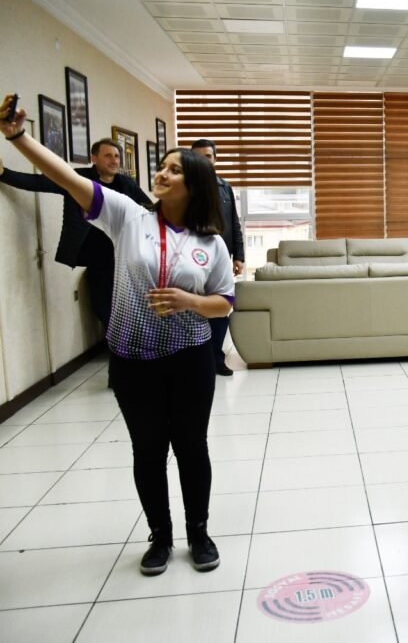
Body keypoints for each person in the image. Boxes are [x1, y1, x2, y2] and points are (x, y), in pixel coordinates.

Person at [1, 94, 234, 576]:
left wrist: (190, 302)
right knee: (148, 450)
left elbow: (225, 303)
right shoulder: (127, 215)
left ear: (193, 185)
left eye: (173, 170)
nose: (161, 173)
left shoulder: (211, 242)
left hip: (190, 358)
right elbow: (66, 177)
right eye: (161, 166)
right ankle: (160, 536)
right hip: (133, 359)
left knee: (192, 448)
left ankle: (199, 532)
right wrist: (17, 136)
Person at [0, 137, 150, 331]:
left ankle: (130, 341)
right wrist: (4, 174)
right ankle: (118, 342)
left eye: (116, 156)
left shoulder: (127, 184)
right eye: (108, 156)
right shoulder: (79, 180)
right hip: (96, 256)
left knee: (130, 306)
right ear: (94, 158)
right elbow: (40, 183)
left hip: (123, 255)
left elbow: (149, 208)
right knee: (103, 306)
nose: (114, 161)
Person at [191, 139, 244, 377]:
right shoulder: (183, 187)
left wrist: (239, 256)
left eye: (208, 156)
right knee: (195, 309)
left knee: (221, 307)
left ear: (215, 159)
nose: (203, 161)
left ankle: (216, 358)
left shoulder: (225, 187)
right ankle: (197, 360)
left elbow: (234, 222)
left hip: (221, 257)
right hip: (192, 258)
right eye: (198, 157)